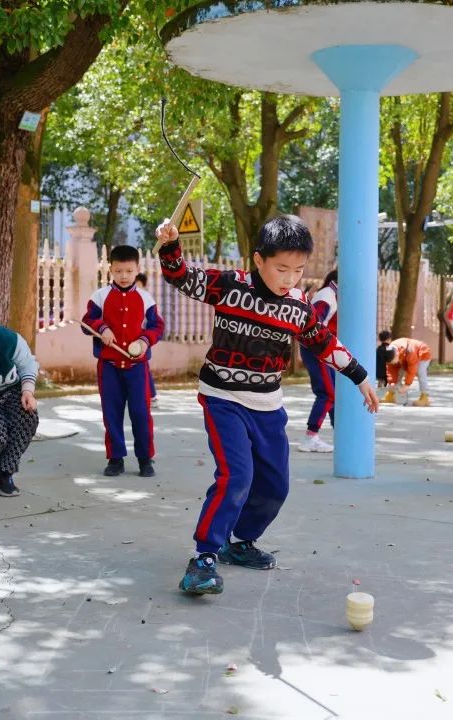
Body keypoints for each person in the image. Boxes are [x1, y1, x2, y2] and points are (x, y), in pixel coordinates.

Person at [155, 214, 379, 596]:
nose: (290, 278)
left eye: (299, 270)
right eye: (281, 268)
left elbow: (323, 342)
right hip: (223, 398)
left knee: (276, 484)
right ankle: (204, 557)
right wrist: (171, 244)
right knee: (236, 476)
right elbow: (181, 277)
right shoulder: (230, 286)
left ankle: (240, 541)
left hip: (268, 406)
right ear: (259, 260)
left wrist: (359, 376)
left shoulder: (298, 305)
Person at [81, 245, 164, 477]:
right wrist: (102, 328)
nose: (124, 276)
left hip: (137, 368)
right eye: (118, 271)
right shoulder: (100, 296)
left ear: (137, 269)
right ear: (110, 270)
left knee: (141, 413)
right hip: (109, 367)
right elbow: (86, 322)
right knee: (111, 414)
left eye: (129, 271)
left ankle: (145, 459)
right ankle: (115, 458)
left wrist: (146, 341)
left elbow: (157, 327)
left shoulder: (146, 298)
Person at [0, 325, 39, 497]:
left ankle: (3, 474)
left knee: (28, 417)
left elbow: (27, 364)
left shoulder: (8, 339)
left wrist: (27, 392)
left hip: (11, 391)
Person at [298, 269, 338, 453]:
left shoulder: (330, 294)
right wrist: (321, 347)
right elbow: (313, 324)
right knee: (327, 393)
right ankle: (310, 436)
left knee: (333, 392)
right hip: (316, 349)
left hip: (320, 349)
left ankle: (340, 433)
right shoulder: (327, 296)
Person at [381, 337, 432, 406]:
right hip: (405, 357)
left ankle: (425, 397)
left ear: (396, 354)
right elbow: (391, 369)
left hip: (422, 353)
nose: (392, 363)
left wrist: (407, 385)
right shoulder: (389, 352)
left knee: (420, 371)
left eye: (393, 361)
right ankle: (390, 395)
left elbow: (412, 369)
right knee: (397, 373)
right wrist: (392, 382)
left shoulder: (410, 350)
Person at [135, 272, 159, 409]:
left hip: (142, 339)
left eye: (139, 286)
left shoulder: (147, 301)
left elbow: (154, 323)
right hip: (128, 338)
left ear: (144, 287)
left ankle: (152, 396)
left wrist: (146, 338)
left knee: (144, 367)